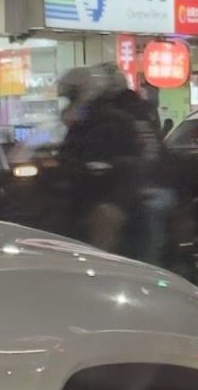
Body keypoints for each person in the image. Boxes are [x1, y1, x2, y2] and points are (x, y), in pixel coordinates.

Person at [56, 64, 165, 258]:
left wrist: (108, 166)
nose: (69, 103)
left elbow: (138, 158)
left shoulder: (114, 121)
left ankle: (102, 264)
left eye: (72, 96)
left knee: (105, 217)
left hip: (115, 192)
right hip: (83, 191)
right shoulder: (79, 125)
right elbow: (68, 153)